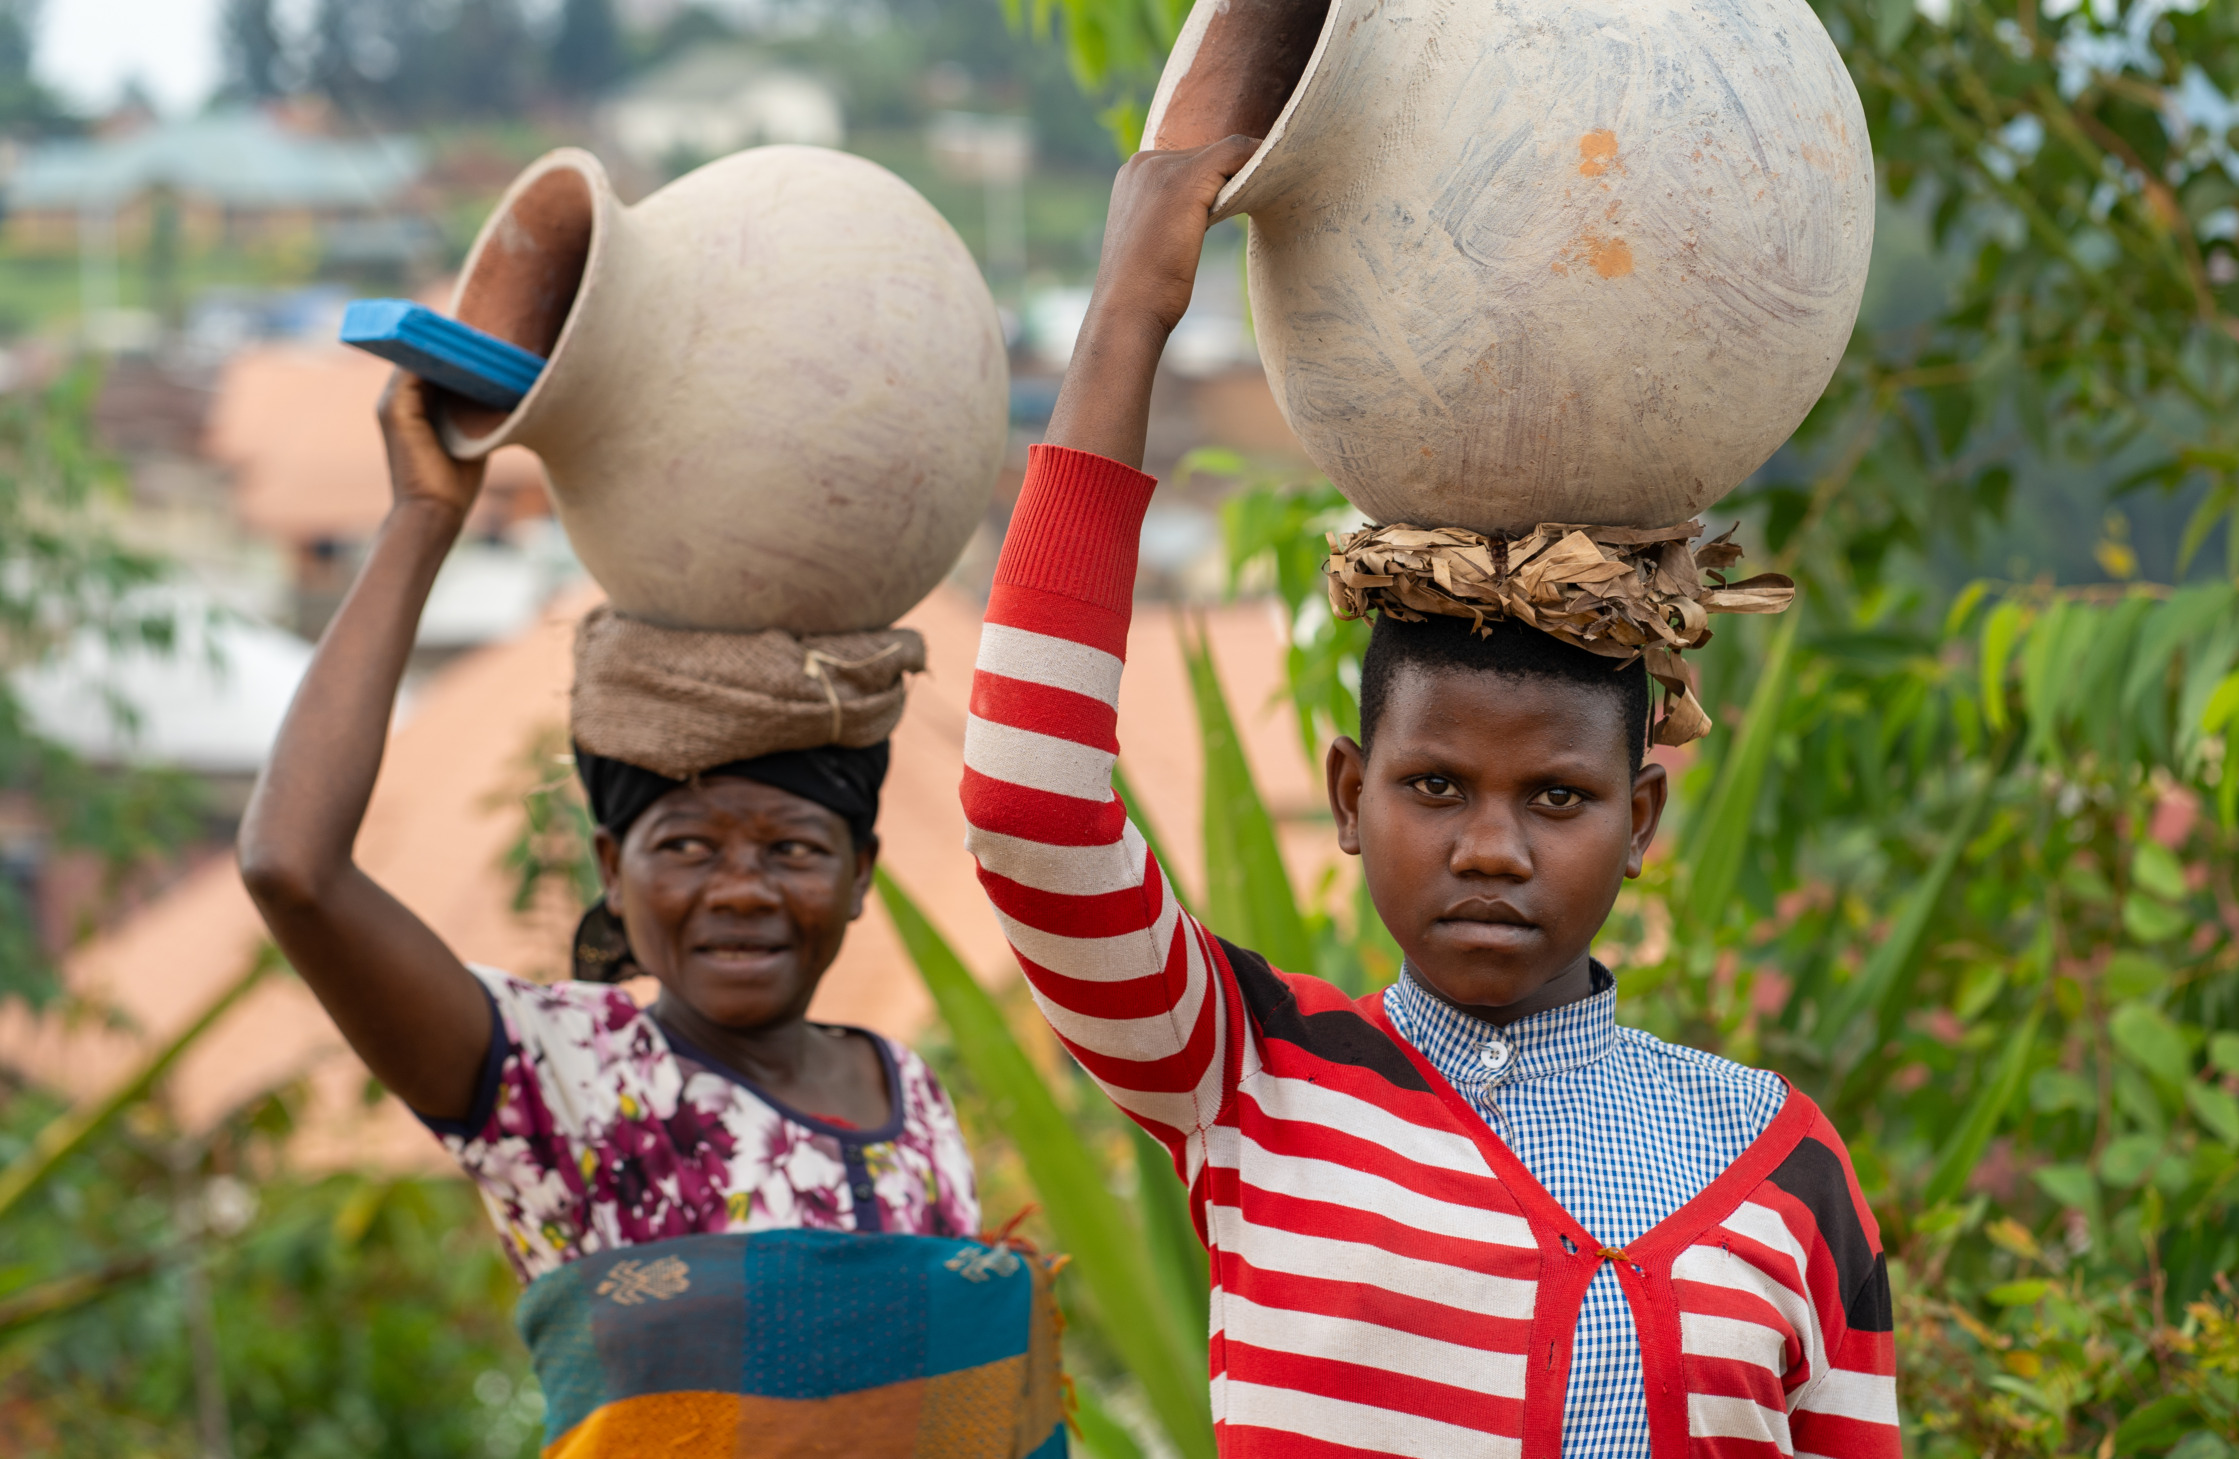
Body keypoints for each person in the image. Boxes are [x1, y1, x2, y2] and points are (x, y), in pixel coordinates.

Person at [959, 135, 1900, 1458]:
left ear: (1641, 822)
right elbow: (1026, 806)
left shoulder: (1787, 1168)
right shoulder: (1248, 1078)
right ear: (1350, 793)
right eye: (1436, 784)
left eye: (1559, 797)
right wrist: (1129, 310)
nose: (1493, 847)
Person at [239, 376, 1062, 1459]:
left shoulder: (906, 1091)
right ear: (609, 869)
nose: (739, 888)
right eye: (685, 845)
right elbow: (293, 868)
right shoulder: (552, 1073)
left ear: (859, 874)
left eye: (792, 848)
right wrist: (424, 517)